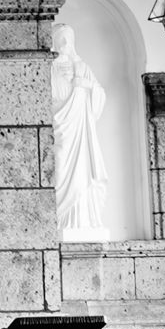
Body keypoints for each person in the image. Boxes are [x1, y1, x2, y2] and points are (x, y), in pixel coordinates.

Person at [50, 23, 112, 241]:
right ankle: (61, 217)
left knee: (83, 172)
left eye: (69, 38)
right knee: (61, 165)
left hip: (82, 130)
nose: (65, 43)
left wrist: (84, 85)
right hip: (62, 128)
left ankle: (83, 219)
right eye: (61, 38)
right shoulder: (49, 68)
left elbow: (99, 94)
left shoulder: (82, 66)